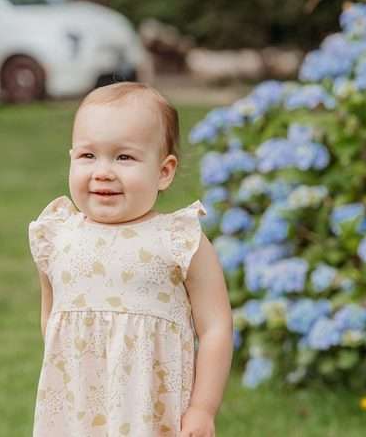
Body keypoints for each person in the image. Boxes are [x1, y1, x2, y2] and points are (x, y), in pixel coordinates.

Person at [29, 82, 232, 436]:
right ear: (72, 158)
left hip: (150, 411)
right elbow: (53, 317)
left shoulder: (179, 240)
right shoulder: (56, 236)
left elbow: (215, 327)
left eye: (124, 157)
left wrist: (203, 408)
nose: (103, 171)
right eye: (88, 156)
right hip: (75, 411)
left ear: (164, 171)